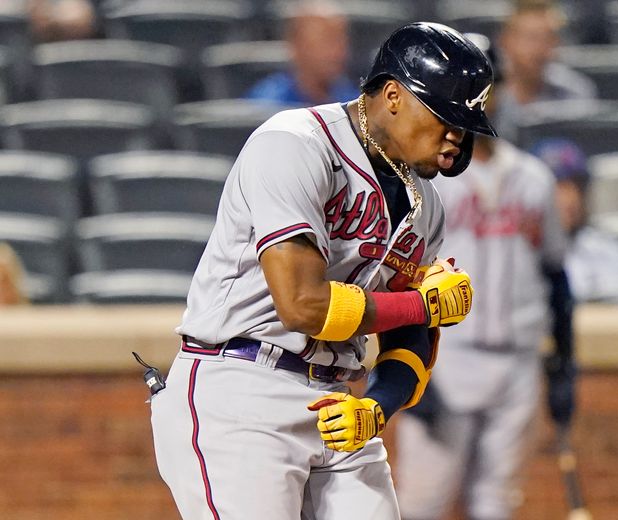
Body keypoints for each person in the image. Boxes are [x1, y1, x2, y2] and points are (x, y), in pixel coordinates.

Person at [149, 22, 495, 520]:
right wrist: (423, 303)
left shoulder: (428, 207)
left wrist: (375, 409)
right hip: (242, 389)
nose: (457, 138)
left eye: (466, 126)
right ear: (393, 95)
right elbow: (303, 305)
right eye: (447, 117)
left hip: (337, 400)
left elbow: (412, 339)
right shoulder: (295, 143)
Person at [394, 34, 576, 520]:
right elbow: (398, 277)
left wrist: (564, 361)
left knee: (496, 505)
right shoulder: (424, 177)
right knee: (420, 503)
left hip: (517, 360)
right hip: (447, 356)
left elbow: (555, 275)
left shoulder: (534, 178)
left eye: (487, 82)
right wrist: (407, 363)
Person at [531, 137, 618, 302]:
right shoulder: (519, 252)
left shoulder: (607, 249)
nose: (570, 198)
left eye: (576, 186)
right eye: (559, 187)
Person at [495, 0, 597, 140]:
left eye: (548, 38)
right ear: (506, 40)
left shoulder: (575, 91)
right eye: (531, 38)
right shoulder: (488, 95)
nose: (539, 49)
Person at [244, 0, 359, 105]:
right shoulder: (266, 104)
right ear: (296, 45)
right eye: (326, 41)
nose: (337, 52)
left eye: (341, 41)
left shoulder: (355, 102)